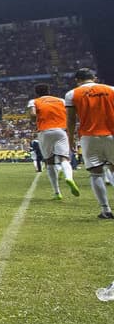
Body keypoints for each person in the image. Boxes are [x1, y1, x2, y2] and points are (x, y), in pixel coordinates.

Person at [64, 68, 114, 219]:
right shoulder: (111, 90)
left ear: (77, 80)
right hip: (112, 133)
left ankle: (105, 210)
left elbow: (71, 120)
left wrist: (70, 139)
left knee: (96, 172)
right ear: (95, 78)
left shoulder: (72, 94)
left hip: (89, 136)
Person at [28, 84, 80, 200]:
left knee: (49, 162)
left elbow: (32, 114)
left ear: (36, 93)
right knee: (64, 159)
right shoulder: (61, 100)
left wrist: (37, 119)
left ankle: (57, 192)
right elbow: (69, 113)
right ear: (49, 91)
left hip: (45, 132)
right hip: (61, 131)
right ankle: (69, 177)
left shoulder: (34, 101)